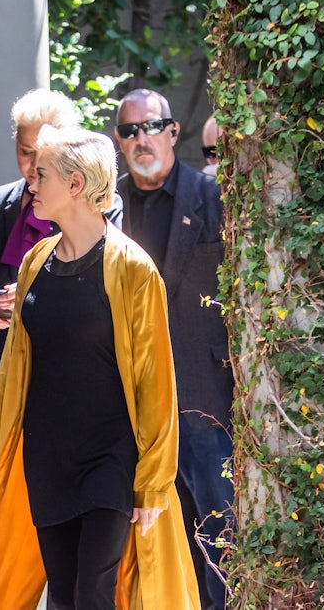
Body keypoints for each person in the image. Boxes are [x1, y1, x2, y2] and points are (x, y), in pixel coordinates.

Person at [0, 126, 200, 610]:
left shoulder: (132, 267)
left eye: (40, 174)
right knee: (64, 596)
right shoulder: (33, 262)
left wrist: (152, 480)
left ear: (74, 185)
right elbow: (11, 372)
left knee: (94, 592)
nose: (29, 183)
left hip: (111, 457)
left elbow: (156, 381)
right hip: (47, 457)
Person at [0, 89, 122, 535]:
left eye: (42, 155)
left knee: (67, 527)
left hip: (74, 389)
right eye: (23, 151)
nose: (31, 167)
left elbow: (108, 295)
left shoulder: (104, 206)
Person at [113, 89, 235, 610]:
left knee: (218, 533)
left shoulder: (213, 199)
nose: (142, 138)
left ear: (172, 132)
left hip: (203, 399)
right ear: (118, 142)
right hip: (128, 403)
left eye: (151, 126)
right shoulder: (105, 208)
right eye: (129, 130)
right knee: (149, 542)